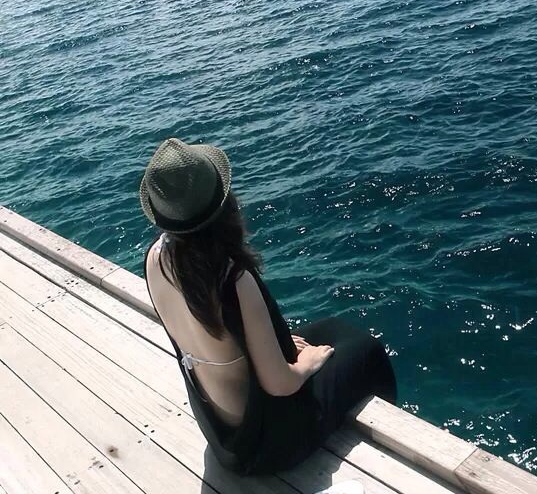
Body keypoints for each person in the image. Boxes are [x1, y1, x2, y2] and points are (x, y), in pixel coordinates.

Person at [139, 137, 397, 475]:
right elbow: (280, 384)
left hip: (221, 435)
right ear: (223, 205)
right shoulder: (233, 278)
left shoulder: (155, 259)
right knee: (367, 350)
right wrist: (306, 364)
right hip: (267, 444)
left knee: (328, 329)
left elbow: (221, 341)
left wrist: (284, 345)